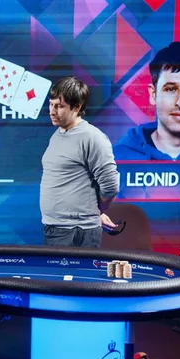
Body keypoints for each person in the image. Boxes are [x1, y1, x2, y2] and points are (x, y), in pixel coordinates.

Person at [40, 76, 120, 247]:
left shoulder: (92, 137)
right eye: (51, 104)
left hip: (76, 232)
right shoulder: (57, 134)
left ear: (77, 107)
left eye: (59, 106)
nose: (52, 111)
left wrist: (94, 213)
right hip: (55, 229)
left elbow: (111, 186)